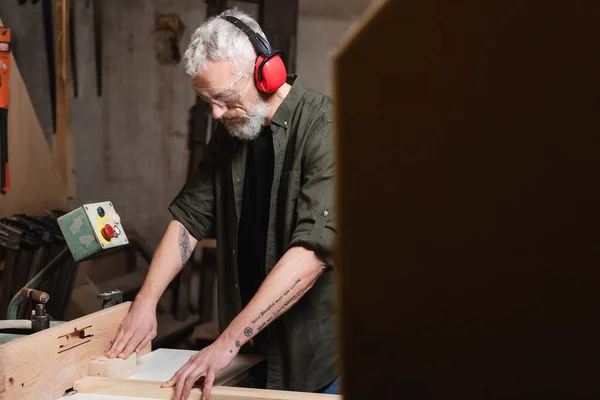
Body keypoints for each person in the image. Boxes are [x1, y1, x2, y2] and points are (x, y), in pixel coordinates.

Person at [106, 8, 339, 400]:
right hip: (248, 355)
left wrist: (226, 343)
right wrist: (145, 302)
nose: (215, 112)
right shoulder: (233, 130)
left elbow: (310, 255)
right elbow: (190, 220)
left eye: (224, 98)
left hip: (315, 363)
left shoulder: (326, 130)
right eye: (207, 100)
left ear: (266, 73)